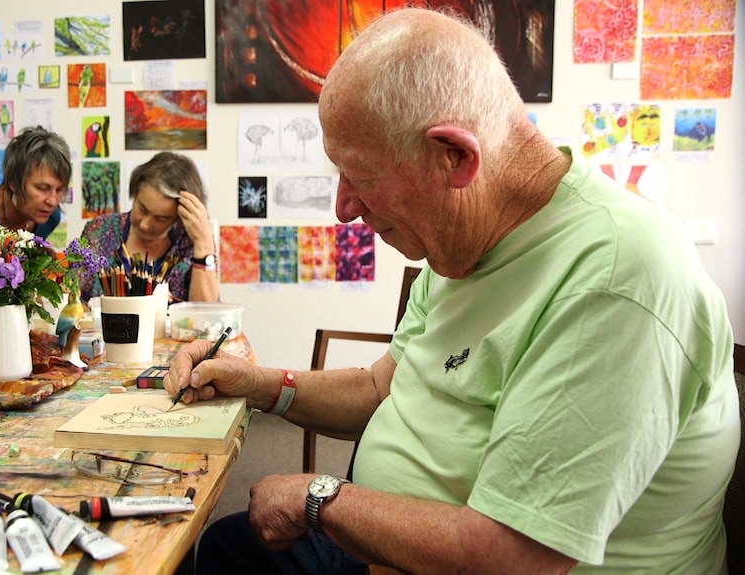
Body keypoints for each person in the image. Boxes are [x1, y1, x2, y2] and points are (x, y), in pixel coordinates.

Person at [166, 8, 739, 574]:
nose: (343, 210)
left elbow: (511, 557)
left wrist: (319, 499)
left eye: (360, 178)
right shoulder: (462, 237)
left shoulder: (617, 278)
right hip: (391, 544)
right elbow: (379, 388)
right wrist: (261, 386)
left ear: (456, 157)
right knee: (228, 548)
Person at [78, 151, 219, 303]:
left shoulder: (191, 242)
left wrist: (204, 245)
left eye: (161, 219)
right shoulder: (99, 231)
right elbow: (75, 301)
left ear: (180, 216)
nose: (145, 225)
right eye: (142, 209)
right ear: (135, 193)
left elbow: (206, 313)